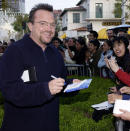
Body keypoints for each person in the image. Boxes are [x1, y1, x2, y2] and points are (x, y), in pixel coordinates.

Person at [0, 3, 80, 131]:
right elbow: (9, 90)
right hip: (19, 125)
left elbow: (59, 84)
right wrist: (45, 89)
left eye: (52, 24)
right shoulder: (14, 52)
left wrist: (72, 86)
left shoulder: (56, 54)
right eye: (42, 23)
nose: (49, 28)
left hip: (50, 125)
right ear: (30, 26)